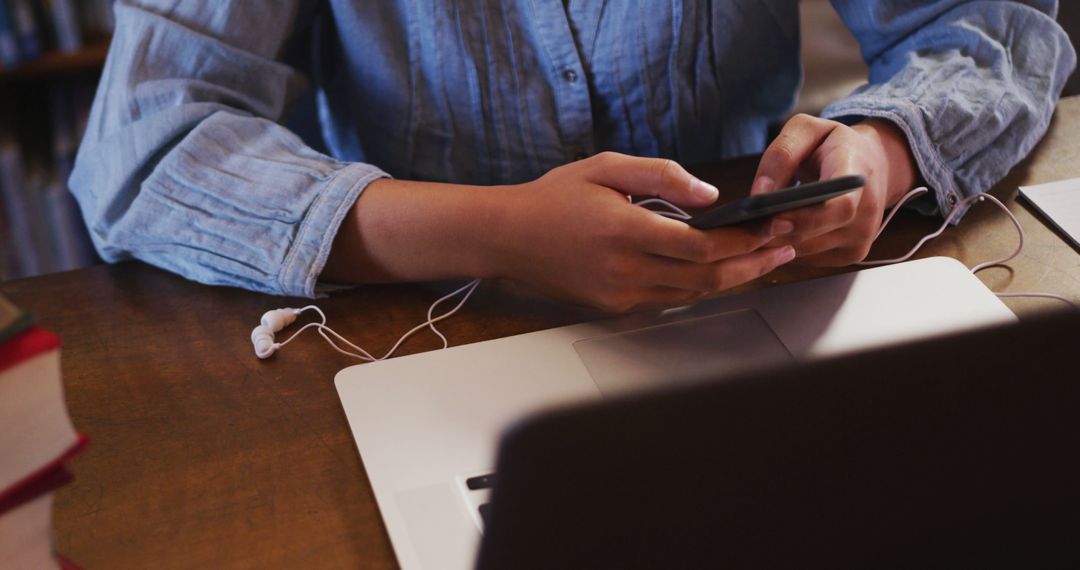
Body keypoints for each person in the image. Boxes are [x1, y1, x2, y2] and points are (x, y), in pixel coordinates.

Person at [70, 1, 1075, 312]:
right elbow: (147, 145)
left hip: (755, 294)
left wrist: (885, 152)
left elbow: (988, 27)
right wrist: (500, 234)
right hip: (427, 320)